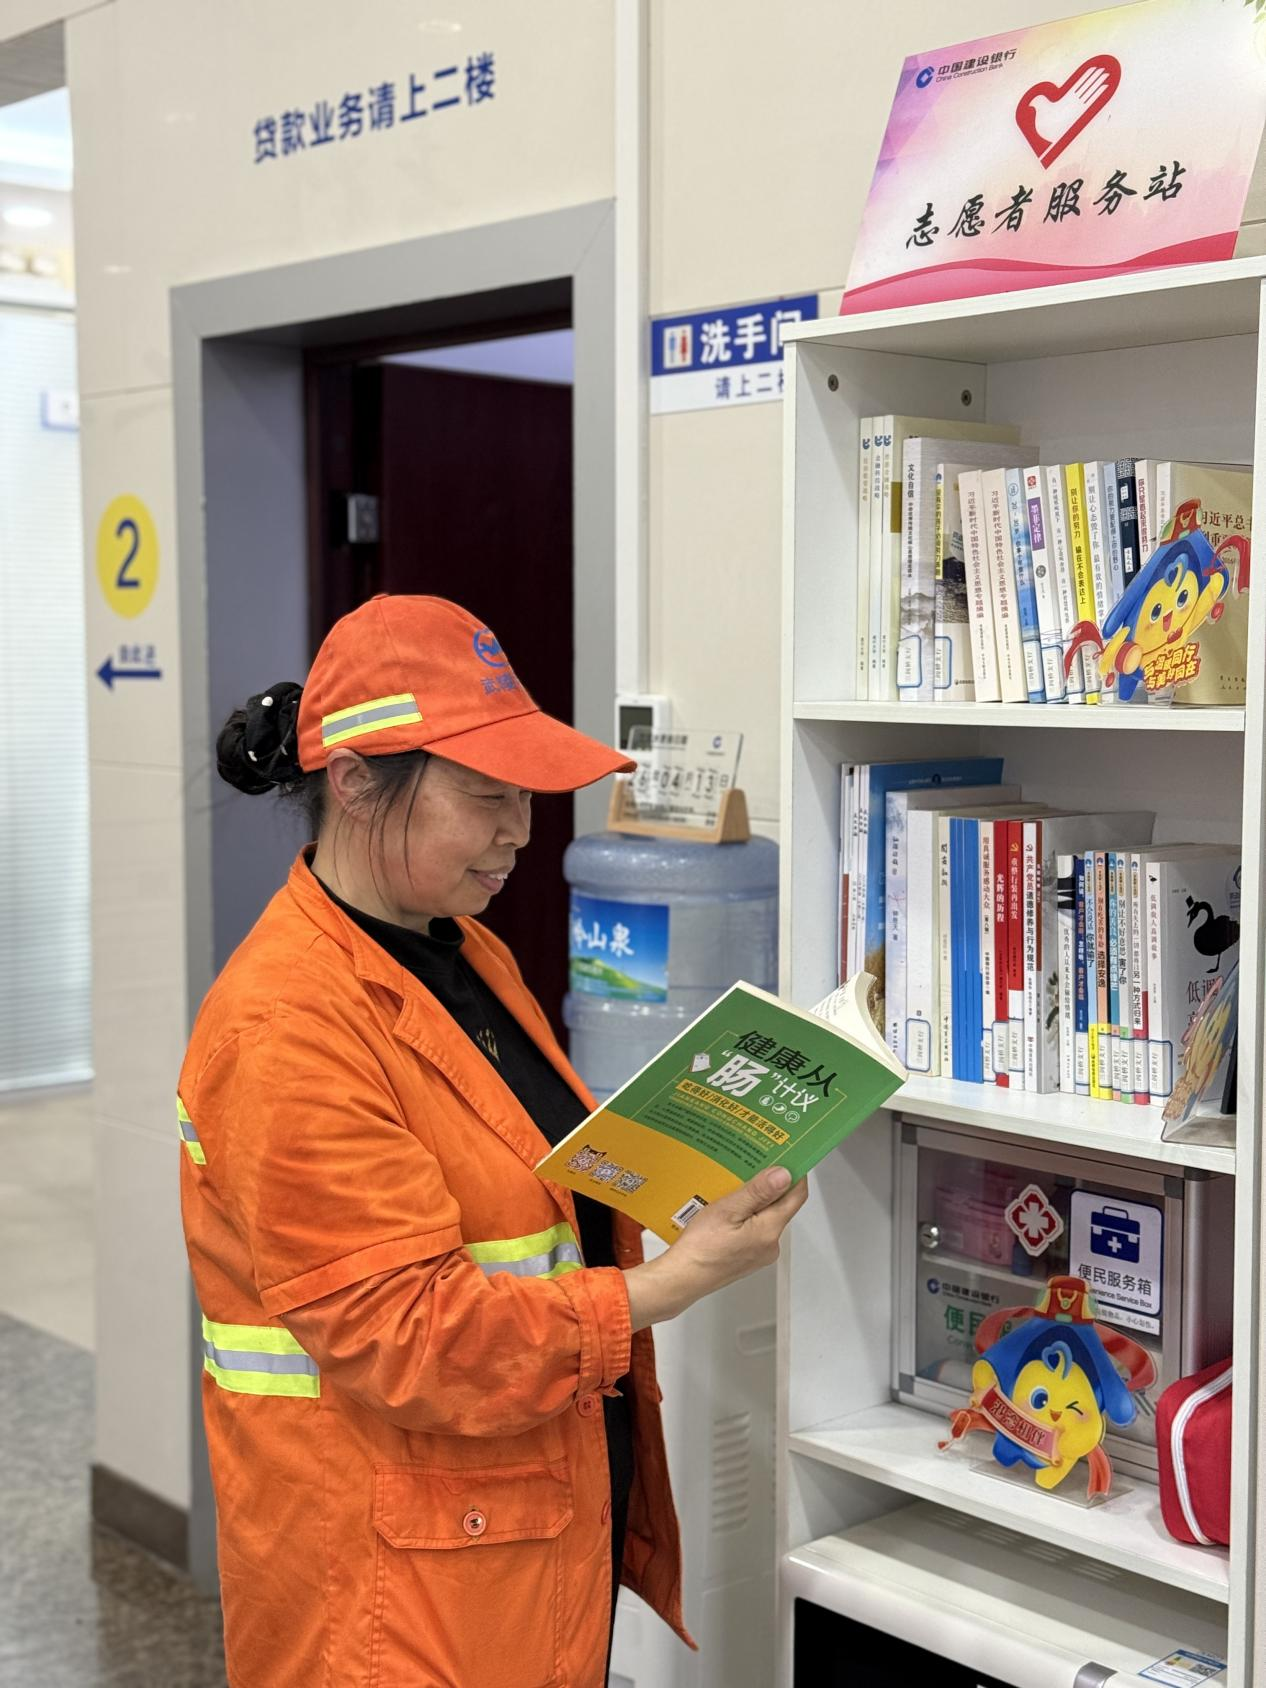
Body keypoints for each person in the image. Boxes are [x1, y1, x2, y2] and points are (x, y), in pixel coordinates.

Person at [177, 594, 807, 1688]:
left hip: (512, 1538)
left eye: (525, 793)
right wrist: (675, 1282)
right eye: (486, 794)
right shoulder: (287, 1024)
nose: (521, 827)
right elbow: (405, 1334)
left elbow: (531, 1197)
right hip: (389, 1595)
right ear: (356, 782)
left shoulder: (464, 951)